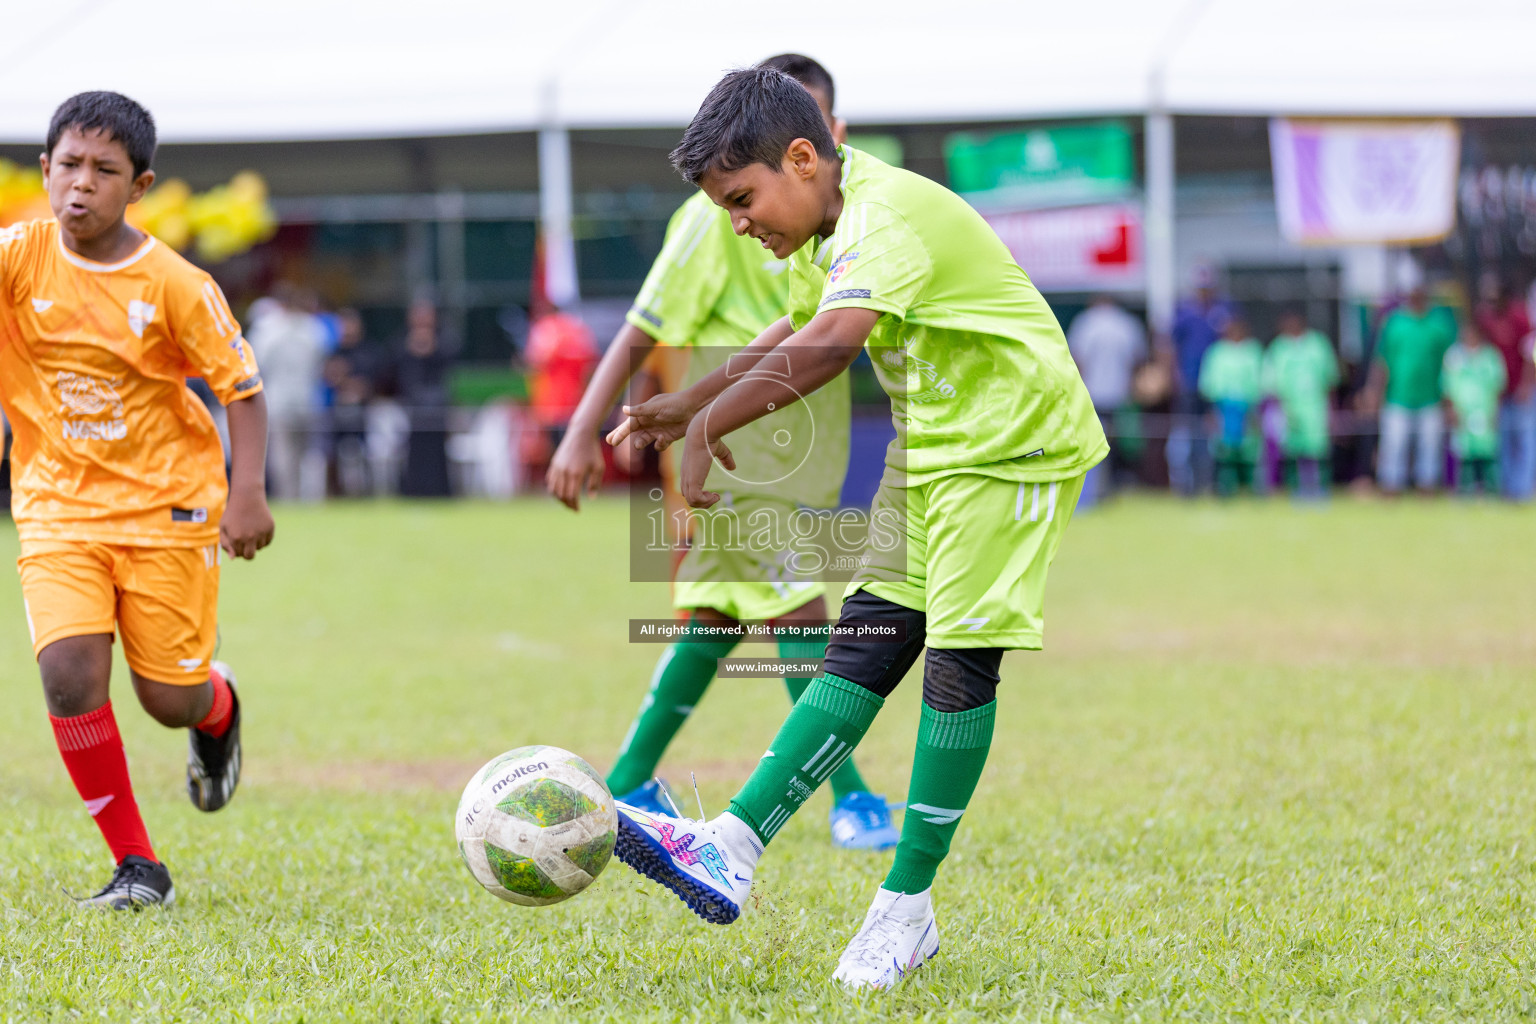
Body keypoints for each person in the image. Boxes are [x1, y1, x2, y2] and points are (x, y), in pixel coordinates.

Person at [604, 67, 1106, 988]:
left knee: (958, 663)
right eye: (725, 207)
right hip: (933, 451)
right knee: (865, 648)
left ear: (804, 157)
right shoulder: (820, 230)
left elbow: (831, 349)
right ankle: (729, 844)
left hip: (1013, 447)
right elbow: (789, 332)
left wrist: (716, 426)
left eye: (743, 199)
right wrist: (687, 404)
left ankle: (903, 911)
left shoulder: (886, 217)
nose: (739, 222)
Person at [545, 55, 894, 851]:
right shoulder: (713, 217)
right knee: (802, 607)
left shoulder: (847, 216)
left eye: (830, 124)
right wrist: (581, 430)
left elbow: (825, 335)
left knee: (716, 609)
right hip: (741, 445)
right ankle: (851, 795)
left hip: (803, 433)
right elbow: (643, 323)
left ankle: (630, 776)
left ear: (831, 136)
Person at [0, 92, 273, 908]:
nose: (81, 185)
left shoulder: (177, 284)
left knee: (167, 698)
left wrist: (247, 493)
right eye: (69, 166)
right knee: (67, 674)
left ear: (140, 185)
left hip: (167, 510)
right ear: (45, 171)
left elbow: (244, 390)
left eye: (104, 171)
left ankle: (215, 709)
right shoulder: (17, 258)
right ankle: (138, 867)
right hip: (55, 506)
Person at [1369, 286, 1456, 494]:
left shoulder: (1439, 325)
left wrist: (1449, 398)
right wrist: (1374, 391)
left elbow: (1451, 364)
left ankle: (1426, 486)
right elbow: (1382, 361)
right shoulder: (1395, 323)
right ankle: (1391, 486)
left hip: (1431, 396)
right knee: (1394, 444)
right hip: (1397, 396)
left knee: (1429, 446)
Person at [247, 283, 326, 500]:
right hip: (305, 398)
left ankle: (290, 498)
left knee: (286, 455)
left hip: (282, 400)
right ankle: (308, 499)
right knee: (306, 455)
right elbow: (321, 361)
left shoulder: (268, 329)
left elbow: (256, 364)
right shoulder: (313, 328)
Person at [1066, 295, 1146, 504]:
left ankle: (1093, 489)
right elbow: (1137, 360)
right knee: (1117, 441)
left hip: (1092, 392)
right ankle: (1112, 484)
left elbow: (1076, 358)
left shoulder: (1086, 322)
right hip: (1119, 393)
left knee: (1092, 440)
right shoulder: (1126, 323)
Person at [1164, 272, 1230, 495]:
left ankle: (1211, 483)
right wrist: (1175, 377)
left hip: (1216, 386)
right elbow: (1170, 347)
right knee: (1186, 437)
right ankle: (1185, 487)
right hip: (1189, 385)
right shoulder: (1184, 312)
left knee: (1214, 436)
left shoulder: (1221, 311)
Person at [1263, 309, 1339, 497]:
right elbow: (1270, 384)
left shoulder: (1318, 344)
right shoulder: (1278, 348)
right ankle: (1297, 490)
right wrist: (1282, 411)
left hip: (1315, 408)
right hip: (1289, 408)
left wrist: (1332, 409)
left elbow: (1330, 379)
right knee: (1292, 451)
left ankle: (1319, 489)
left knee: (1317, 450)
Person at [1473, 278, 1534, 499]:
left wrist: (1527, 385)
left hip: (1521, 389)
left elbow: (1530, 354)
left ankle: (1523, 488)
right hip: (1497, 391)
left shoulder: (1520, 317)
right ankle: (1507, 488)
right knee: (1502, 439)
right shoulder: (1486, 319)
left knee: (1525, 439)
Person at [1198, 315, 1264, 497]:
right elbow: (1208, 385)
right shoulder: (1216, 352)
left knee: (1249, 450)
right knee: (1224, 450)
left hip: (1247, 406)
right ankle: (1225, 490)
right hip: (1224, 407)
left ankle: (1250, 489)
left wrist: (1254, 411)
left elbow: (1260, 382)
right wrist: (1212, 411)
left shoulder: (1253, 351)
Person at [1441, 324, 1505, 496]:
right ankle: (1465, 490)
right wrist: (1451, 409)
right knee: (1464, 451)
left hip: (1485, 410)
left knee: (1487, 451)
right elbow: (1447, 385)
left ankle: (1491, 490)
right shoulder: (1454, 356)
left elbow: (1498, 385)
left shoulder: (1490, 356)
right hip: (1462, 412)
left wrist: (1495, 411)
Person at [396, 299, 452, 497]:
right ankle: (412, 490)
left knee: (437, 454)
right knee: (413, 452)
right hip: (412, 407)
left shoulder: (444, 339)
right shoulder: (402, 341)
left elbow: (451, 360)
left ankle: (440, 491)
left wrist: (431, 347)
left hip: (437, 407)